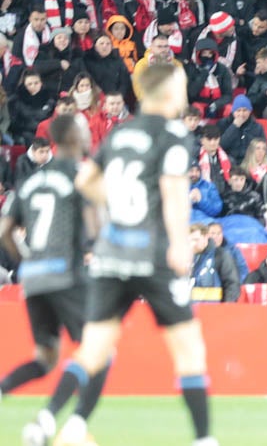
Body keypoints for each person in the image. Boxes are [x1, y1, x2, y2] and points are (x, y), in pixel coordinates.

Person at [26, 60, 215, 446]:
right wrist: (180, 243)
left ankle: (47, 422)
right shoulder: (173, 135)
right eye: (180, 85)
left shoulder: (121, 134)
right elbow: (173, 191)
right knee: (189, 348)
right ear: (168, 92)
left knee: (94, 348)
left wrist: (117, 211)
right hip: (152, 254)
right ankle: (203, 440)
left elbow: (86, 180)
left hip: (112, 254)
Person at [0, 113, 106, 427]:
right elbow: (95, 228)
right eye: (83, 131)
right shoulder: (82, 174)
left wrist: (27, 262)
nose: (88, 135)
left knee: (46, 358)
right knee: (98, 349)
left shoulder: (32, 180)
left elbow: (5, 230)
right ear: (73, 139)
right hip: (65, 273)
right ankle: (57, 422)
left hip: (34, 278)